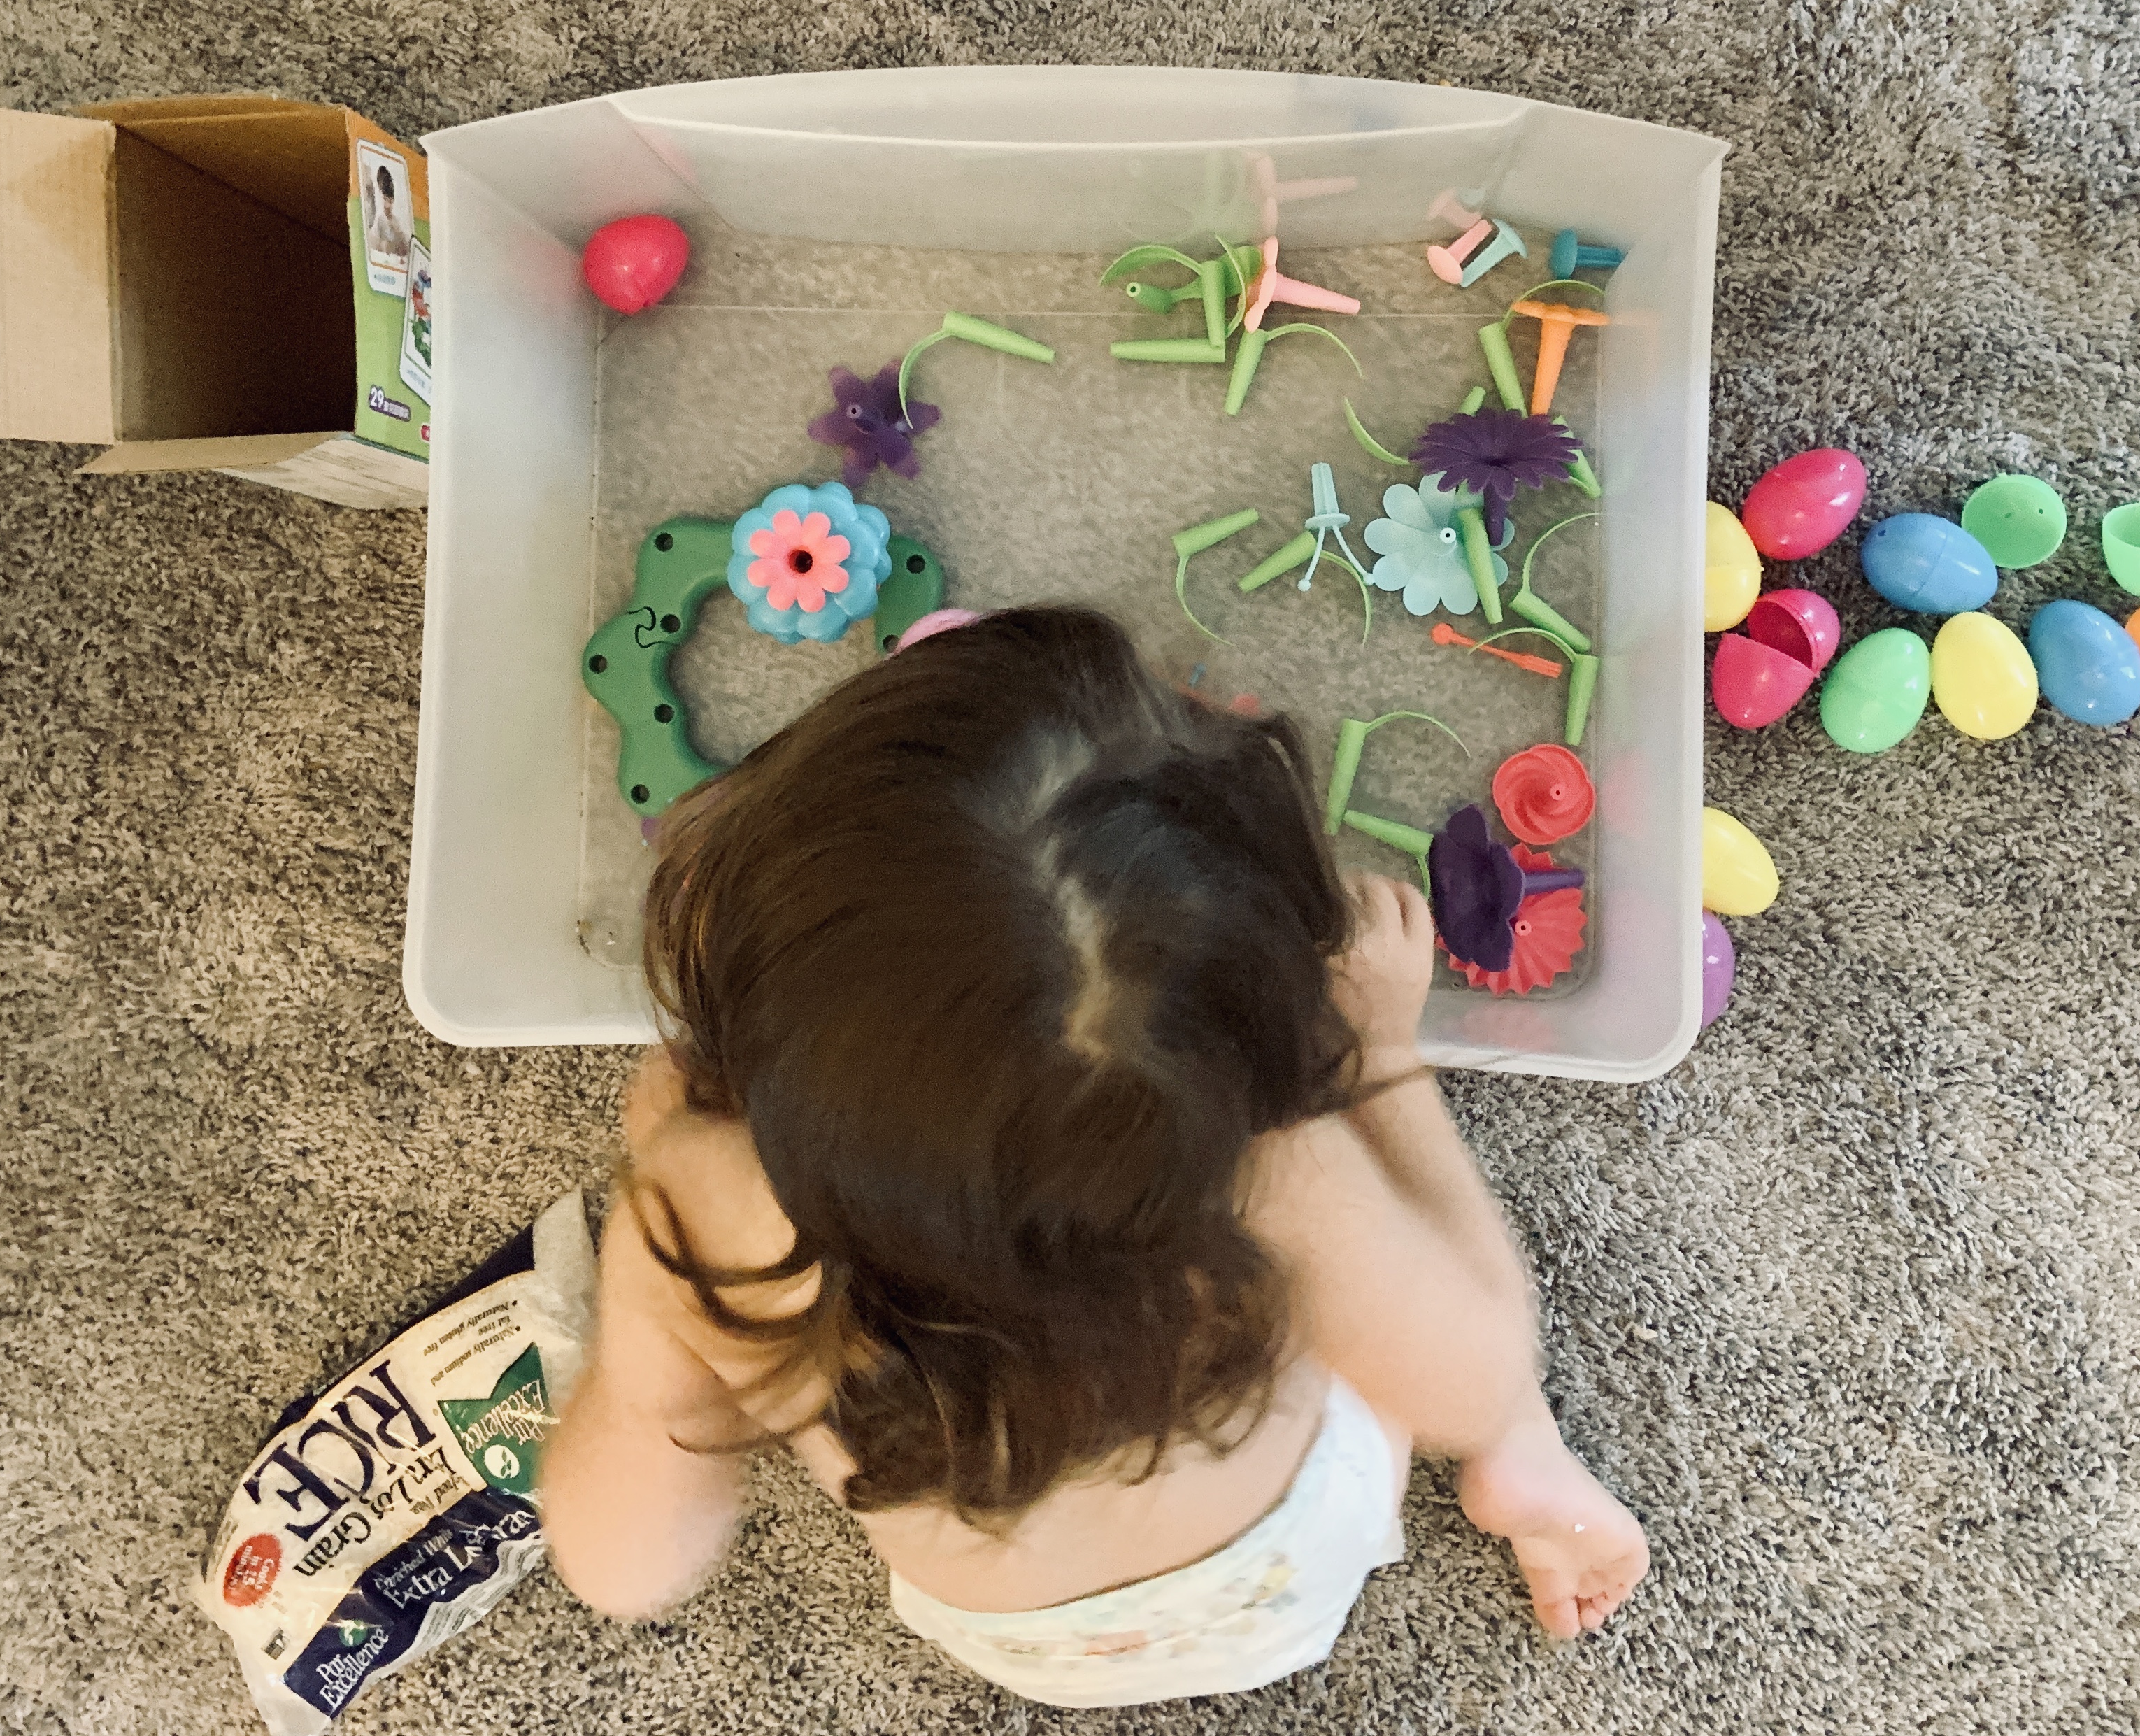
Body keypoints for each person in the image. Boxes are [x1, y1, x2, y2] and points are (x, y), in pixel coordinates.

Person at [540, 606, 1647, 1708]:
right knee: (1423, 1320)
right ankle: (1529, 1459)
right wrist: (1384, 1057)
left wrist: (666, 1248)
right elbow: (1475, 1371)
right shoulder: (1266, 1165)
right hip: (1283, 1567)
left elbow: (622, 1565)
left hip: (1028, 1641)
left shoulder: (709, 1208)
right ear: (1265, 1019)